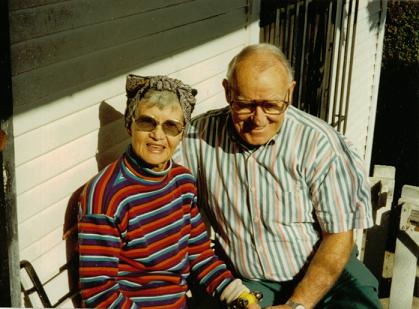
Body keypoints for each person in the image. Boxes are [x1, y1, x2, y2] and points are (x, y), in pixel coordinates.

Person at [180, 44, 381, 309]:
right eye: (245, 105)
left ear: (290, 91)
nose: (258, 119)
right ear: (228, 91)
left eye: (272, 105)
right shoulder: (197, 138)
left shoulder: (320, 145)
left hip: (330, 274)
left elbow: (339, 237)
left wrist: (297, 305)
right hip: (253, 282)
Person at [77, 74, 261, 309]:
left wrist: (241, 296)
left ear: (182, 133)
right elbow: (100, 294)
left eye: (171, 126)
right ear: (129, 124)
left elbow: (200, 256)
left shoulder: (182, 181)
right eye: (147, 122)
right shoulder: (106, 196)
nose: (158, 135)